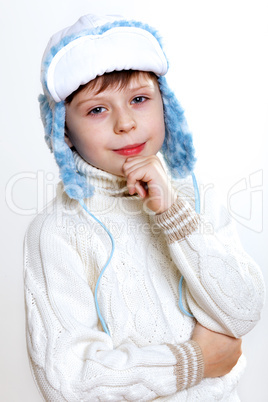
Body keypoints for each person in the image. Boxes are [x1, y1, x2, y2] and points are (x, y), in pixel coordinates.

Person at [24, 14, 265, 401]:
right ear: (62, 131)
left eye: (139, 99)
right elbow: (66, 380)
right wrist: (194, 360)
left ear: (165, 104)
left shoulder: (196, 200)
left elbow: (243, 313)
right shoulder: (56, 231)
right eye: (97, 110)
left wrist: (173, 214)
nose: (126, 123)